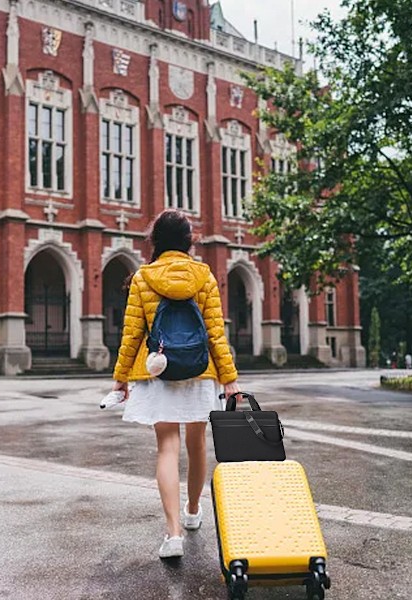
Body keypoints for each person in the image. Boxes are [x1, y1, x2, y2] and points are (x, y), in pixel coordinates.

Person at [111, 209, 240, 560]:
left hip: (158, 369)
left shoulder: (142, 277)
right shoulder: (205, 276)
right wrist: (229, 380)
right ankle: (194, 510)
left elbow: (132, 334)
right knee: (197, 445)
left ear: (156, 241)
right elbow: (216, 332)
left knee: (167, 448)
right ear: (189, 241)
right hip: (200, 370)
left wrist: (120, 379)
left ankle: (173, 534)